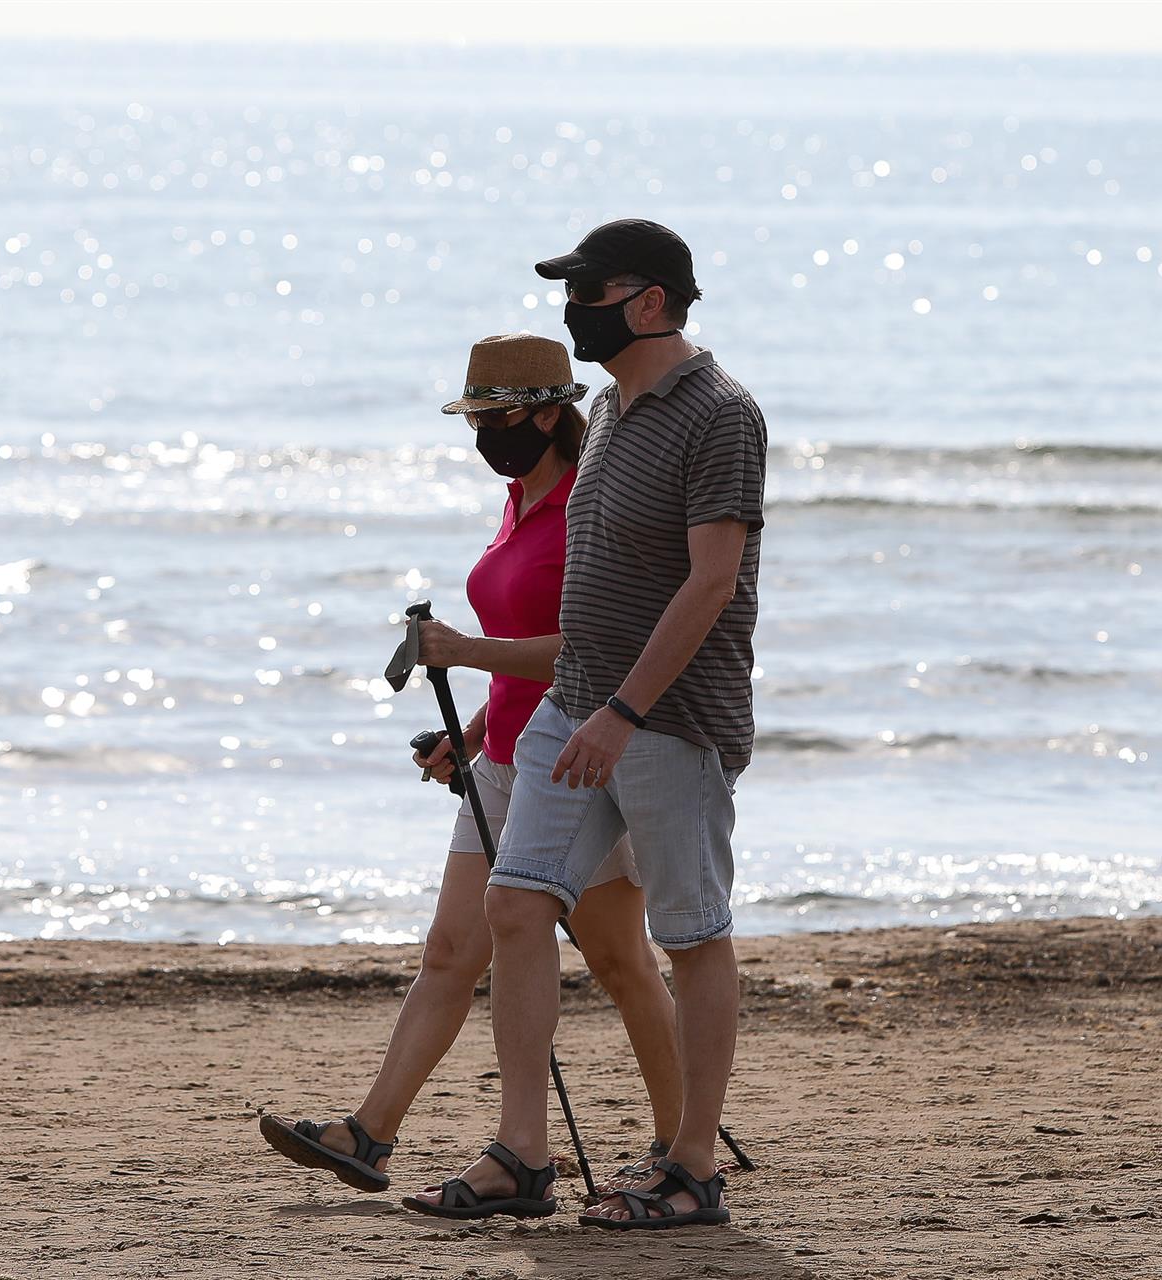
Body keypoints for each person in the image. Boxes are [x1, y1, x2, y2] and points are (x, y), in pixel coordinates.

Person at [258, 333, 685, 1198]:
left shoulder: (584, 506)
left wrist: (465, 649)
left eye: (490, 418)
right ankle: (368, 1134)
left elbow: (596, 651)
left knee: (619, 962)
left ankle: (682, 1143)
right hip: (505, 756)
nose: (481, 436)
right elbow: (523, 650)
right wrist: (479, 725)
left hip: (577, 760)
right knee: (451, 950)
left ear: (539, 412)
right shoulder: (518, 498)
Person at [405, 219, 767, 1230]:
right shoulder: (607, 408)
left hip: (671, 719)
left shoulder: (721, 414)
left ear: (648, 301)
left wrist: (623, 708)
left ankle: (692, 1165)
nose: (574, 311)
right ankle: (524, 1151)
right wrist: (512, 715)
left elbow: (712, 580)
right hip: (579, 709)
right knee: (515, 907)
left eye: (588, 291)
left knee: (689, 934)